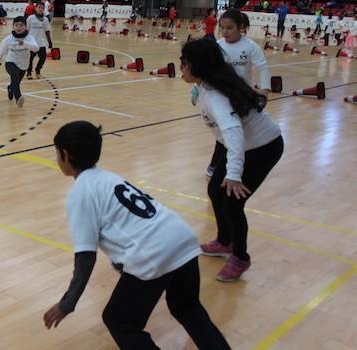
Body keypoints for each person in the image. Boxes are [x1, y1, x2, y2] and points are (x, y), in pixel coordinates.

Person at [42, 120, 231, 349]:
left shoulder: (80, 192)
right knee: (187, 307)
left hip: (155, 253)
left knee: (119, 320)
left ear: (65, 155)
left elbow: (85, 257)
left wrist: (68, 303)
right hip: (183, 239)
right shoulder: (108, 177)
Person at [180, 39, 283, 282]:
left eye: (184, 63)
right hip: (243, 147)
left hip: (263, 147)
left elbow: (234, 133)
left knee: (232, 203)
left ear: (198, 66)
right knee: (215, 190)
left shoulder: (216, 96)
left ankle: (240, 257)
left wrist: (234, 173)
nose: (181, 68)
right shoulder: (210, 84)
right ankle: (225, 241)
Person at [206, 9, 271, 177]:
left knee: (235, 133)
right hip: (223, 98)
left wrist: (264, 92)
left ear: (240, 27)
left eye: (230, 28)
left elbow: (263, 67)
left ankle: (231, 167)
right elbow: (208, 70)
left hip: (243, 98)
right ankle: (218, 166)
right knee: (226, 132)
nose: (225, 32)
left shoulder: (250, 46)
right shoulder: (218, 46)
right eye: (223, 28)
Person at [0, 16, 39, 107]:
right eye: (16, 25)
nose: (18, 27)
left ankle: (10, 88)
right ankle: (18, 98)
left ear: (25, 26)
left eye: (21, 25)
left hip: (23, 65)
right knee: (14, 76)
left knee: (16, 82)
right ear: (13, 26)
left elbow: (36, 48)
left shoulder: (29, 38)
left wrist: (25, 44)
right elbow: (2, 50)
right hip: (11, 62)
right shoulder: (8, 39)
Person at [26, 2, 52, 80]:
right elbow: (26, 30)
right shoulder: (30, 18)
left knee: (43, 58)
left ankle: (38, 70)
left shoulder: (46, 19)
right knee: (30, 59)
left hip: (41, 43)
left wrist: (50, 41)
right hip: (31, 43)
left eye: (42, 8)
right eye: (39, 7)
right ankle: (29, 72)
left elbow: (47, 31)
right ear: (36, 8)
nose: (41, 9)